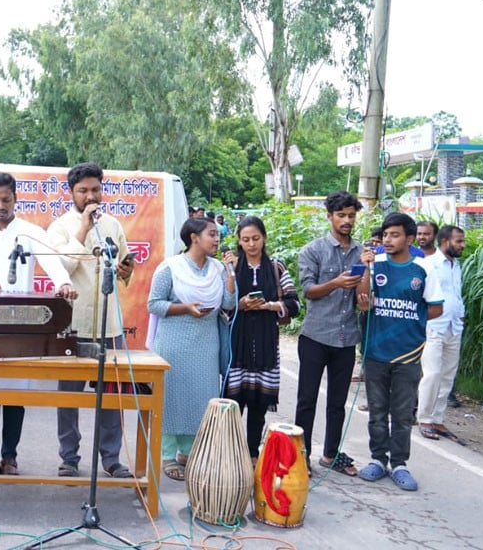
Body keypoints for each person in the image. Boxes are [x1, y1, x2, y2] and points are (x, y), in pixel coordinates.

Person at [0, 172, 77, 476]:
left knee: (14, 390)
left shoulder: (30, 232)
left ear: (16, 199)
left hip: (21, 323)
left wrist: (63, 283)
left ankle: (10, 457)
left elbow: (53, 263)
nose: (1, 205)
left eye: (6, 200)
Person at [47, 162, 136, 479]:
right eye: (83, 190)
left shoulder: (113, 224)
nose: (90, 195)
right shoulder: (59, 227)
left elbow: (124, 266)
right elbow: (64, 268)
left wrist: (126, 271)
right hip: (74, 327)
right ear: (71, 192)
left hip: (109, 326)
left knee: (111, 398)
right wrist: (83, 228)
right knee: (68, 399)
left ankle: (111, 458)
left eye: (95, 189)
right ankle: (69, 458)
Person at [356, 212, 443, 491]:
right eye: (385, 235)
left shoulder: (424, 268)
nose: (388, 240)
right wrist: (366, 268)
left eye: (394, 235)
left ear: (409, 238)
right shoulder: (376, 263)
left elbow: (436, 307)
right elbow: (363, 302)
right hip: (376, 350)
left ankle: (400, 463)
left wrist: (410, 320)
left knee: (402, 412)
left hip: (408, 352)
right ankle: (377, 460)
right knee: (377, 411)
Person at [147, 218, 236, 481]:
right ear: (194, 237)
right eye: (212, 234)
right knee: (172, 396)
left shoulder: (219, 268)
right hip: (174, 342)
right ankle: (166, 455)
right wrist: (185, 308)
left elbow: (228, 303)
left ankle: (188, 452)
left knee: (200, 398)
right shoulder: (170, 268)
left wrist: (231, 273)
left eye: (218, 235)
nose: (217, 239)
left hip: (207, 343)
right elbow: (154, 304)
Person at [294, 190, 367, 478]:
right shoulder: (313, 250)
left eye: (351, 216)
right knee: (306, 400)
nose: (347, 221)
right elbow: (309, 291)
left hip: (347, 337)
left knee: (338, 402)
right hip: (315, 335)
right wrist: (336, 282)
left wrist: (368, 272)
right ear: (330, 217)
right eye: (341, 215)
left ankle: (330, 453)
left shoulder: (362, 252)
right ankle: (302, 456)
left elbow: (365, 298)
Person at [225, 216, 300, 462]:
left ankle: (252, 453)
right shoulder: (232, 269)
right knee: (233, 404)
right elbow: (222, 307)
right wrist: (241, 304)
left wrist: (270, 306)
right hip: (237, 345)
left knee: (258, 406)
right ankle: (232, 454)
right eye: (245, 239)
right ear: (238, 241)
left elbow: (294, 303)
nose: (251, 244)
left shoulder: (276, 268)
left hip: (267, 345)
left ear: (264, 238)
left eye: (255, 238)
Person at [417, 225, 466, 443]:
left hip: (454, 326)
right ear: (445, 241)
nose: (462, 245)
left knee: (447, 375)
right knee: (433, 374)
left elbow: (455, 293)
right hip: (434, 326)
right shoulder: (429, 264)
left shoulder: (456, 265)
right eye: (459, 241)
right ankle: (425, 419)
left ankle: (437, 418)